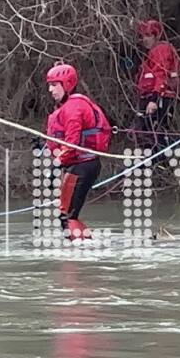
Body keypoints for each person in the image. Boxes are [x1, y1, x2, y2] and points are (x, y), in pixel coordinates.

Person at [45, 63, 112, 240]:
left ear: (66, 84)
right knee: (66, 215)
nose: (50, 89)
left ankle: (82, 253)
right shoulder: (69, 106)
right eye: (49, 85)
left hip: (83, 166)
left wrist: (56, 165)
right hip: (79, 165)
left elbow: (72, 144)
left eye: (54, 84)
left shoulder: (74, 108)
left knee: (67, 216)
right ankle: (84, 246)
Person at [133, 19, 180, 156]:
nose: (145, 39)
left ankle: (161, 163)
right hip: (153, 97)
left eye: (149, 35)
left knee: (156, 133)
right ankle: (156, 163)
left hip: (160, 98)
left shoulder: (161, 50)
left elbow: (161, 74)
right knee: (149, 133)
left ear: (156, 36)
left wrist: (154, 100)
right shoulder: (154, 52)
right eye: (143, 36)